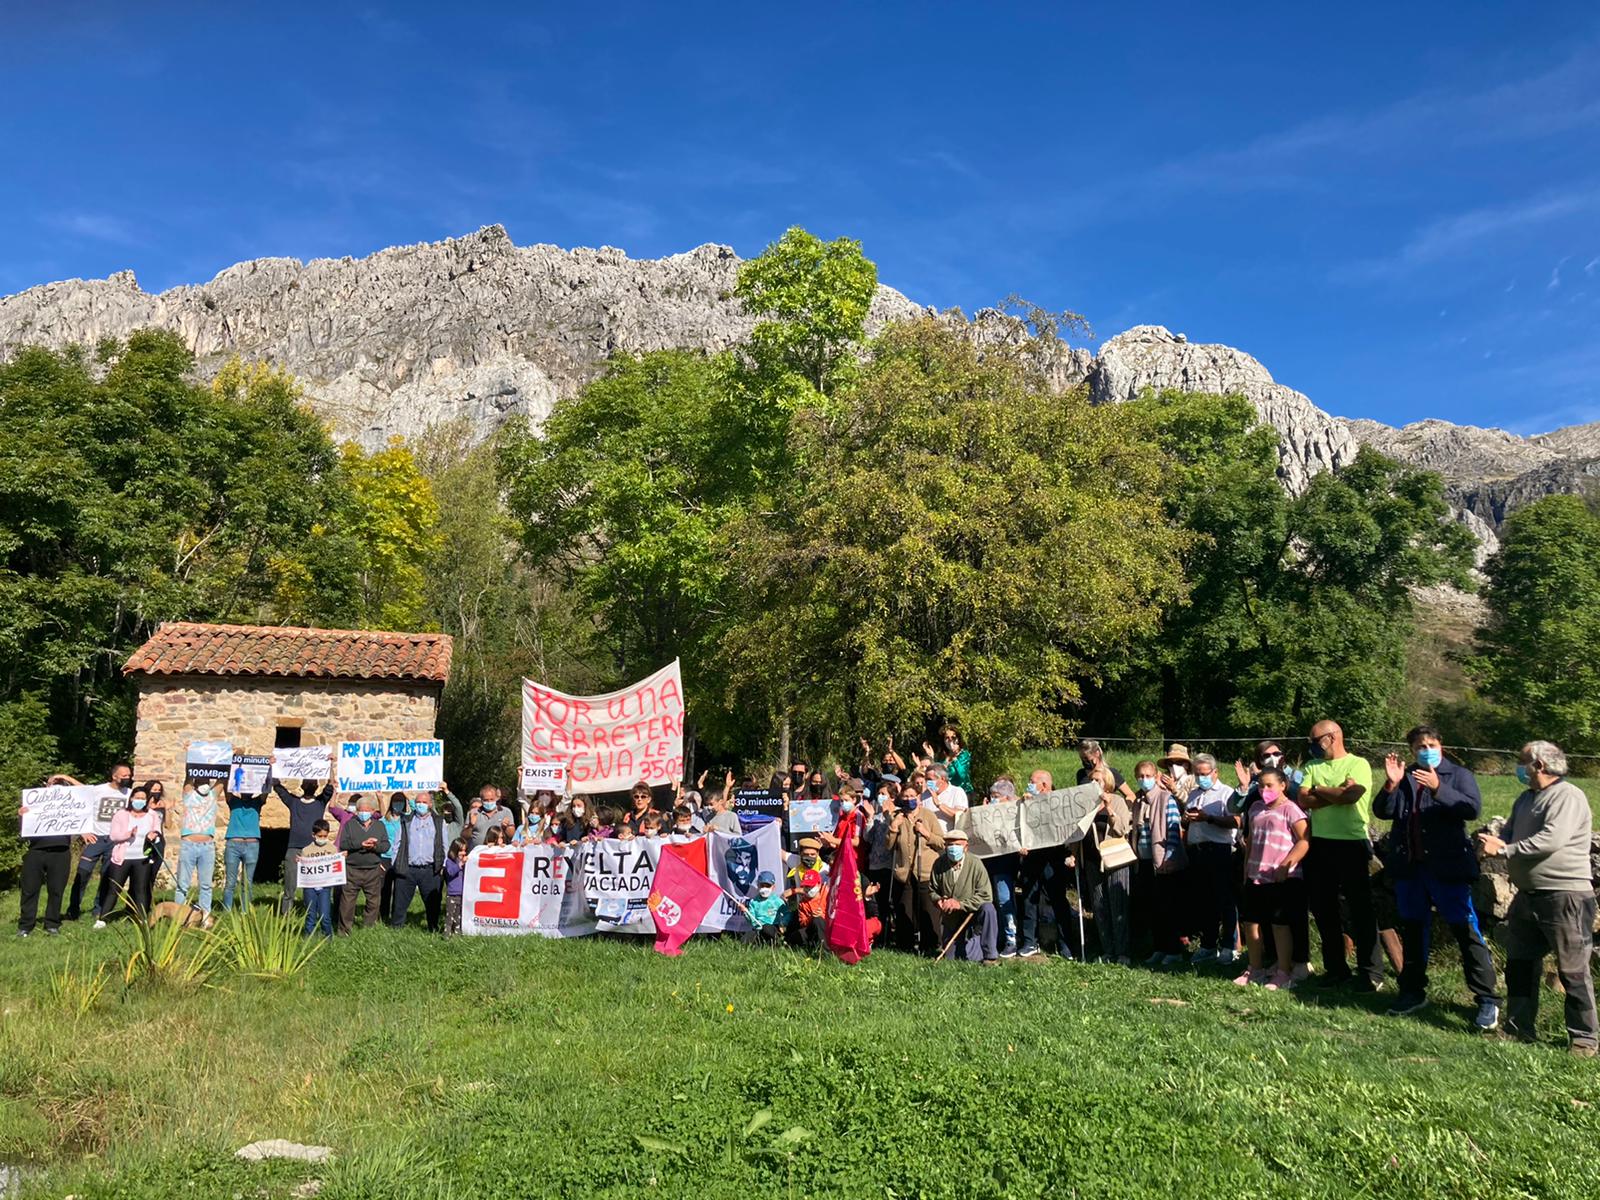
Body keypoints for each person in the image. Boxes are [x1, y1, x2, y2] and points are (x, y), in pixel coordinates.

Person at [1373, 725, 1499, 1030]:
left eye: (1431, 743)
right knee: (1414, 932)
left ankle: (1487, 999)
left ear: (1441, 745)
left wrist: (1437, 788)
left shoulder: (1458, 775)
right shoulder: (1406, 776)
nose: (1425, 749)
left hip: (1447, 869)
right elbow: (1382, 811)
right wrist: (1391, 785)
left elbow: (1471, 809)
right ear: (1412, 750)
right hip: (1411, 869)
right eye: (1419, 745)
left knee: (1465, 931)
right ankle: (1413, 992)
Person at [1478, 741, 1597, 1056]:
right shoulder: (1526, 798)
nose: (1518, 768)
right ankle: (1518, 1028)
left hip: (1565, 895)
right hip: (1528, 895)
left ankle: (1584, 1040)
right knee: (1520, 962)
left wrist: (1504, 850)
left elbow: (1551, 839)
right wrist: (1495, 838)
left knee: (1572, 970)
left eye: (1522, 762)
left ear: (1539, 765)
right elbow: (1512, 833)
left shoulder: (1568, 797)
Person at [1299, 720, 1383, 990]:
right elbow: (1303, 799)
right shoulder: (1312, 766)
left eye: (1315, 740)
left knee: (1360, 909)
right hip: (1320, 844)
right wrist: (1336, 792)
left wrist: (1319, 790)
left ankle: (1371, 972)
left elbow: (1352, 797)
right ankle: (1336, 969)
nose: (1312, 746)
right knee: (1324, 909)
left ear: (1332, 737)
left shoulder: (1358, 764)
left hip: (1352, 843)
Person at [1234, 767, 1311, 991]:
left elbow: (1304, 840)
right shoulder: (1256, 808)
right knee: (1251, 922)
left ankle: (1283, 972)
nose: (1264, 789)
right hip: (1255, 875)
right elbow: (1249, 840)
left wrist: (1287, 864)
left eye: (1269, 785)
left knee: (1280, 924)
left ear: (1283, 785)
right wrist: (1246, 869)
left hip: (1280, 877)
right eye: (1260, 785)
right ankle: (1255, 968)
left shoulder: (1291, 810)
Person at [1181, 753, 1239, 965]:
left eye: (1205, 774)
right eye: (1197, 774)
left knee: (1224, 900)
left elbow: (1236, 821)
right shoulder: (1193, 794)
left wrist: (1209, 818)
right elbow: (1187, 824)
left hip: (1219, 850)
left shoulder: (1226, 793)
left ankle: (1229, 946)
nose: (1201, 777)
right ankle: (1207, 945)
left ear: (1215, 772)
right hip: (1198, 850)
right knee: (1205, 901)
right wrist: (1186, 819)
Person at [57, 763, 132, 922]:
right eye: (124, 775)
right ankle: (73, 910)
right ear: (114, 776)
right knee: (82, 873)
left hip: (115, 841)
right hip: (96, 838)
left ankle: (99, 910)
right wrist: (64, 777)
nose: (127, 778)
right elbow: (80, 790)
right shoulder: (99, 790)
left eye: (129, 775)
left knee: (107, 876)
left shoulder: (129, 794)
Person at [1131, 760, 1187, 966]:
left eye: (1148, 776)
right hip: (1145, 860)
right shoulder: (1139, 802)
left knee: (1168, 907)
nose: (1143, 780)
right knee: (1153, 907)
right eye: (1140, 776)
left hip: (1164, 861)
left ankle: (1174, 950)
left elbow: (1173, 829)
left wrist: (1168, 858)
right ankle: (1159, 948)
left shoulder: (1166, 798)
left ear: (1155, 777)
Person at [1082, 764, 1134, 964]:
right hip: (1092, 861)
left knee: (1117, 905)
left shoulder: (1119, 801)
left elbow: (1121, 829)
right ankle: (1108, 950)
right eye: (1092, 780)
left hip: (1115, 860)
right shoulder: (1086, 804)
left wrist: (1109, 808)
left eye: (1098, 780)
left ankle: (1123, 952)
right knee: (1099, 905)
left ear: (1107, 783)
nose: (1094, 783)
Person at [273, 759, 336, 914]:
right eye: (308, 784)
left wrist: (330, 765)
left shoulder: (320, 802)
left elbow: (331, 784)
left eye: (313, 784)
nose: (310, 786)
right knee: (290, 885)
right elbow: (277, 786)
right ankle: (286, 916)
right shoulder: (294, 802)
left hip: (315, 850)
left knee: (315, 886)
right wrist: (274, 765)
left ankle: (313, 913)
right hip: (294, 849)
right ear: (301, 786)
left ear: (316, 787)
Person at [890, 786, 947, 955]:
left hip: (925, 871)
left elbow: (941, 843)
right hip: (904, 872)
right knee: (905, 909)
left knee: (928, 909)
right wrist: (893, 827)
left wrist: (925, 833)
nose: (909, 799)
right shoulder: (897, 816)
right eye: (905, 796)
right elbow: (889, 846)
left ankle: (931, 946)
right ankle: (905, 947)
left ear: (919, 797)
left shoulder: (928, 816)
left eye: (912, 796)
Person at [930, 828, 998, 965]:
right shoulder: (939, 864)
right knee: (953, 958)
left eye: (958, 845)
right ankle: (973, 946)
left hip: (973, 915)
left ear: (966, 847)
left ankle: (989, 955)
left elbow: (986, 895)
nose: (953, 848)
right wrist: (939, 901)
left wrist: (960, 904)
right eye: (950, 845)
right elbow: (932, 890)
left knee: (989, 908)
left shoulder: (976, 864)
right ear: (945, 846)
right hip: (952, 918)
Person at [16, 784, 72, 937]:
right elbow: (23, 833)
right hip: (36, 851)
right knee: (29, 889)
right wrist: (21, 817)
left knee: (56, 890)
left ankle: (52, 923)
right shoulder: (35, 804)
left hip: (61, 852)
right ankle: (26, 925)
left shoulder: (70, 806)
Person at [101, 785, 160, 925]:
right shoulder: (121, 814)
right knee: (114, 889)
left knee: (141, 890)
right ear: (132, 798)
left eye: (143, 798)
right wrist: (128, 834)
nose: (139, 801)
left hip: (142, 858)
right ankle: (103, 918)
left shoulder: (152, 815)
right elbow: (114, 836)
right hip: (123, 858)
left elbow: (157, 832)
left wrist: (154, 835)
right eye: (137, 798)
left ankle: (141, 918)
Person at [391, 790, 447, 932]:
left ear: (430, 804)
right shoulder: (406, 820)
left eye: (424, 802)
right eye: (418, 802)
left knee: (433, 905)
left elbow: (445, 845)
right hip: (408, 868)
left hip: (430, 869)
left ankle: (433, 929)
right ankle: (396, 930)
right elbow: (396, 844)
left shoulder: (439, 821)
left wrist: (443, 866)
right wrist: (395, 864)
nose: (420, 805)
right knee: (400, 903)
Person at [981, 779, 1023, 957]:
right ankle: (996, 936)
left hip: (1005, 864)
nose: (993, 800)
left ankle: (1011, 939)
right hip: (989, 863)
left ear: (1007, 798)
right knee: (993, 901)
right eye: (991, 796)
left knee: (1004, 900)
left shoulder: (1014, 813)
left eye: (996, 796)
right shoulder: (989, 811)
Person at [337, 798, 391, 934]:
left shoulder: (380, 826)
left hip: (372, 870)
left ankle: (368, 929)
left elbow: (386, 845)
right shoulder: (349, 825)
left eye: (367, 811)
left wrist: (375, 846)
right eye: (361, 810)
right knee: (347, 902)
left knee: (373, 902)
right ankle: (344, 931)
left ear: (373, 811)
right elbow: (343, 844)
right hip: (352, 869)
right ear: (356, 811)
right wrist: (361, 844)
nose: (363, 813)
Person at [173, 777, 220, 923]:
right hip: (189, 844)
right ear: (195, 783)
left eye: (207, 781)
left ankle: (205, 917)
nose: (204, 784)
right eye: (200, 781)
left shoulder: (213, 796)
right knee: (182, 883)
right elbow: (188, 775)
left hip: (207, 846)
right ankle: (179, 917)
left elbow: (222, 779)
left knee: (206, 885)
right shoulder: (189, 795)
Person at [220, 776, 268, 912]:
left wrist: (270, 770)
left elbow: (267, 789)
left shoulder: (257, 802)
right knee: (230, 882)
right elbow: (226, 787)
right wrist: (228, 771)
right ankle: (227, 911)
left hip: (252, 845)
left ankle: (245, 911)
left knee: (247, 882)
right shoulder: (233, 801)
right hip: (234, 844)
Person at [296, 819, 339, 938]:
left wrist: (341, 858)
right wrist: (300, 862)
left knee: (325, 915)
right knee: (310, 914)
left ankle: (328, 937)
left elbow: (336, 864)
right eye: (320, 836)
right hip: (310, 887)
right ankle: (309, 938)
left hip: (325, 887)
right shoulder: (306, 850)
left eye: (325, 836)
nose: (322, 838)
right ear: (313, 835)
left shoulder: (332, 849)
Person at [786, 869, 828, 949]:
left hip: (828, 927)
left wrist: (822, 915)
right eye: (806, 886)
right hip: (811, 928)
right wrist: (811, 917)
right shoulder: (802, 903)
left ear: (819, 884)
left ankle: (825, 951)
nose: (808, 889)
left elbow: (834, 914)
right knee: (795, 936)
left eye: (811, 886)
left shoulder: (827, 895)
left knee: (818, 920)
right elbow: (802, 922)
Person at [924, 727, 973, 793]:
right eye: (947, 737)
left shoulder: (964, 754)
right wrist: (931, 757)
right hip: (946, 793)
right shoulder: (941, 756)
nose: (950, 740)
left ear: (958, 739)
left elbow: (962, 775)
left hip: (964, 792)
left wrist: (955, 758)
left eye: (953, 737)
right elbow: (936, 775)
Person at [923, 763, 968, 833]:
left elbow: (961, 817)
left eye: (930, 779)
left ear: (942, 779)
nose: (927, 782)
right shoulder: (925, 795)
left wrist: (939, 804)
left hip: (949, 838)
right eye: (926, 779)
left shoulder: (957, 792)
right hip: (930, 838)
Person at [743, 870, 785, 944]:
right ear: (758, 886)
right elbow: (752, 919)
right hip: (758, 929)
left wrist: (783, 924)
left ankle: (777, 942)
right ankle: (761, 942)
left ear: (773, 887)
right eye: (762, 885)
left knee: (767, 928)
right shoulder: (753, 902)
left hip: (773, 928)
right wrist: (745, 912)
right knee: (745, 940)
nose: (764, 888)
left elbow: (787, 913)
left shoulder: (778, 901)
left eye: (768, 886)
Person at [442, 839, 469, 937]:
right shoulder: (450, 862)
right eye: (461, 850)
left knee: (458, 917)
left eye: (465, 850)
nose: (463, 853)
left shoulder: (463, 862)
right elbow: (450, 872)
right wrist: (460, 865)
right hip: (452, 895)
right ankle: (446, 934)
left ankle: (457, 933)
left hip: (461, 894)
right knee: (450, 916)